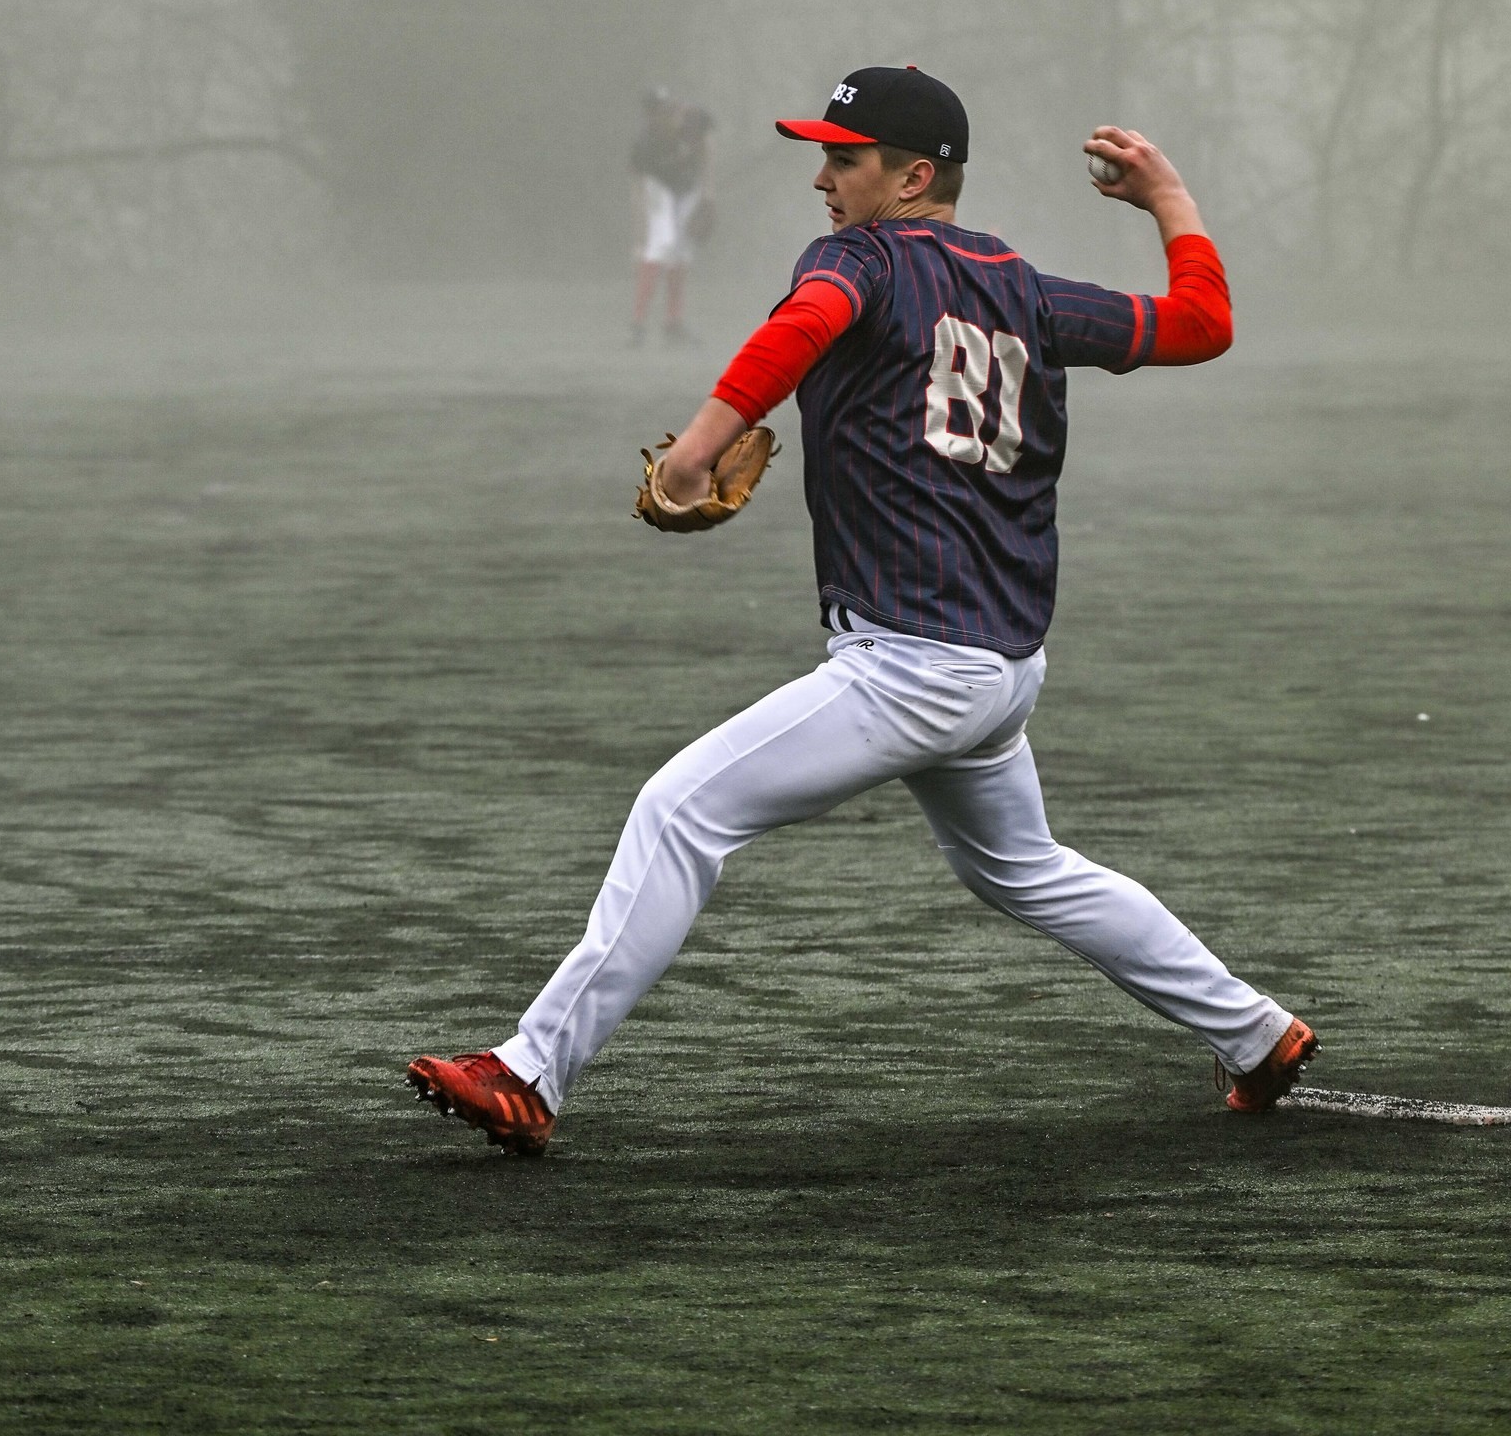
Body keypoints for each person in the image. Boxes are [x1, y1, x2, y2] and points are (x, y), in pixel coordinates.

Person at [409, 65, 1316, 1154]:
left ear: (914, 175)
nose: (823, 179)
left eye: (845, 159)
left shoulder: (863, 258)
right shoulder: (1022, 288)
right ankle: (1254, 1033)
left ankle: (529, 1071)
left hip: (913, 664)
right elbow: (1201, 323)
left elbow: (804, 324)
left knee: (679, 810)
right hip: (1000, 671)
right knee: (1023, 870)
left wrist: (695, 452)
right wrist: (1169, 200)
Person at [628, 91, 714, 344]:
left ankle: (673, 323)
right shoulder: (644, 144)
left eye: (670, 109)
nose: (669, 115)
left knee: (682, 251)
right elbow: (636, 188)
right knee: (661, 244)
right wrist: (639, 229)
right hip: (660, 187)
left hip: (688, 188)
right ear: (650, 117)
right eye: (661, 112)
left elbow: (708, 144)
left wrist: (709, 190)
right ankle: (638, 323)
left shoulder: (694, 120)